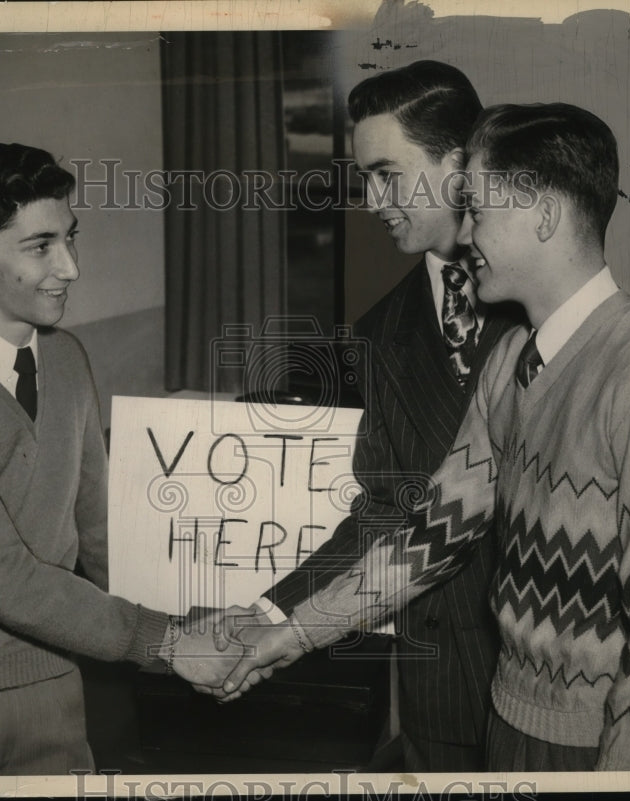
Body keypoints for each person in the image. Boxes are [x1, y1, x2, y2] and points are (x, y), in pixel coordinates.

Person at [219, 103, 630, 771]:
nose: (465, 231)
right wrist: (289, 635)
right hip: (503, 722)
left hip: (596, 747)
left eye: (479, 210)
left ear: (543, 216)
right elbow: (429, 539)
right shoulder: (512, 359)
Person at [0, 142, 239, 777]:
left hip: (51, 678)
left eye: (70, 238)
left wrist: (198, 625)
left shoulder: (68, 360)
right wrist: (167, 642)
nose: (71, 267)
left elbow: (103, 533)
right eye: (40, 246)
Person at [214, 60, 519, 772]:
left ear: (461, 162)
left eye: (388, 173)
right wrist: (269, 613)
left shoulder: (548, 304)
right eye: (364, 177)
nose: (372, 199)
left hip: (547, 682)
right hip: (439, 686)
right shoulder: (381, 331)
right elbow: (385, 510)